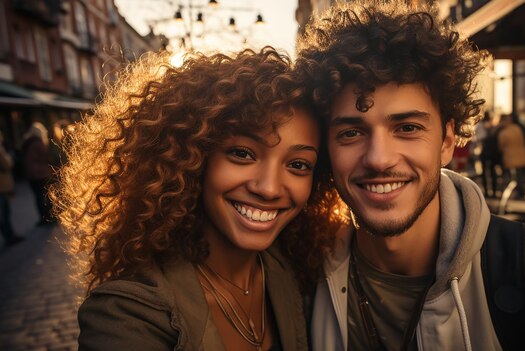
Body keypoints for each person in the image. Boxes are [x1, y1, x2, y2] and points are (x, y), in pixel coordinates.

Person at [295, 1, 525, 350]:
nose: (379, 159)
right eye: (351, 133)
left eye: (407, 127)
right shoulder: (301, 280)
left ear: (448, 141)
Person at [51, 47, 342, 350]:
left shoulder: (297, 270)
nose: (269, 188)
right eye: (242, 154)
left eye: (298, 165)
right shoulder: (128, 314)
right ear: (193, 158)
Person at [21, 121, 54, 225]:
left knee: (38, 197)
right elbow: (45, 157)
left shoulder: (28, 142)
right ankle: (48, 218)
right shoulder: (38, 143)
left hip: (31, 174)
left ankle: (43, 218)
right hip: (40, 173)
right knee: (45, 196)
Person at [496, 112, 525, 196]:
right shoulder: (518, 128)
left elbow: (500, 146)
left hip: (510, 157)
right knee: (520, 176)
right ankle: (522, 191)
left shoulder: (503, 132)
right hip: (522, 155)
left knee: (512, 178)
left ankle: (513, 192)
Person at [0, 130, 21, 246]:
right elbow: (7, 164)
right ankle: (9, 236)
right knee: (4, 214)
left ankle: (8, 235)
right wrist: (10, 157)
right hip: (2, 186)